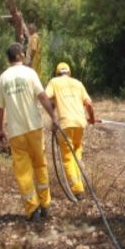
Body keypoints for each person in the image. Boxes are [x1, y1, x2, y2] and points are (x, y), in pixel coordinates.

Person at [0, 43, 58, 222]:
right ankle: (45, 204)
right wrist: (53, 117)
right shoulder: (30, 73)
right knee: (40, 165)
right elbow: (43, 97)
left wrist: (0, 130)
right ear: (22, 56)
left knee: (23, 171)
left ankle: (33, 209)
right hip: (34, 128)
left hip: (16, 132)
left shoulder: (3, 78)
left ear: (8, 59)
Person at [45, 62, 97, 197]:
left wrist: (53, 119)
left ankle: (77, 189)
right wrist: (91, 118)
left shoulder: (54, 82)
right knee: (77, 153)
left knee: (68, 157)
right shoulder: (78, 83)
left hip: (65, 124)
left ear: (57, 73)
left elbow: (45, 98)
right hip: (80, 123)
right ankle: (80, 183)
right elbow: (89, 104)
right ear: (69, 73)